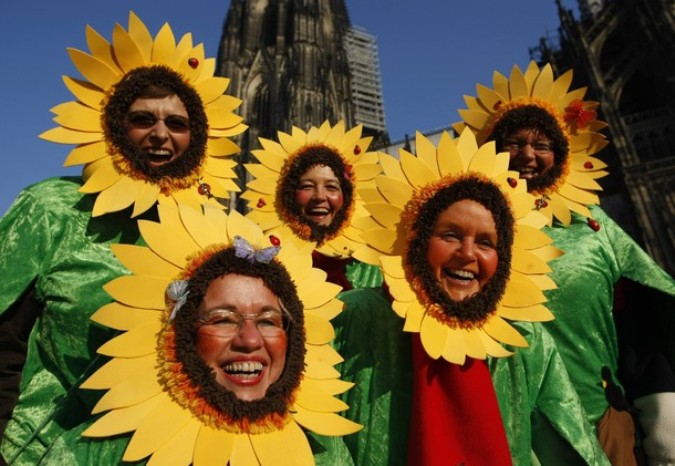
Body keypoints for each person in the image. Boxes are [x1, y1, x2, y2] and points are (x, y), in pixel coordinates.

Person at [0, 12, 246, 464]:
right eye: (142, 119)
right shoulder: (51, 209)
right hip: (45, 449)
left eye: (176, 123)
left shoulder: (210, 227)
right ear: (114, 124)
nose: (160, 134)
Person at [340, 128, 609, 465]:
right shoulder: (355, 316)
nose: (467, 254)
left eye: (485, 243)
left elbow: (568, 442)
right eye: (450, 235)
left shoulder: (525, 338)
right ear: (418, 239)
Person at [453, 61, 675, 465]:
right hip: (514, 425)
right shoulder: (468, 227)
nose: (527, 155)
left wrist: (662, 422)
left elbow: (641, 322)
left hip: (602, 419)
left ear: (560, 153)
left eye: (541, 145)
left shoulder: (594, 225)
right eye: (514, 143)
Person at [37, 205, 359, 465]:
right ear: (179, 333)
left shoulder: (325, 453)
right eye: (223, 320)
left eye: (268, 321)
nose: (250, 340)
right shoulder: (91, 456)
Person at [243, 120, 383, 290]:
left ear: (348, 196)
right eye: (307, 186)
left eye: (331, 187)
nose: (319, 197)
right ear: (288, 193)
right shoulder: (261, 264)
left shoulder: (372, 268)